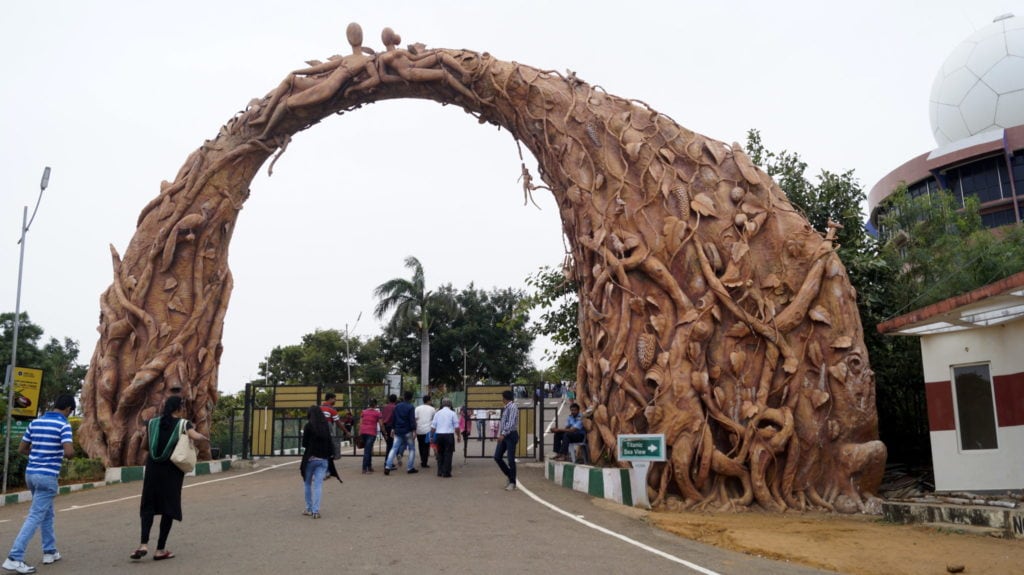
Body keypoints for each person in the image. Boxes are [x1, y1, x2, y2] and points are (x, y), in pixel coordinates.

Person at [130, 395, 208, 562]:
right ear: (179, 408)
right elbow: (195, 436)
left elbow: (145, 444)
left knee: (148, 507)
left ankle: (143, 544)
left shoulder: (152, 423)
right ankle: (160, 549)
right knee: (168, 509)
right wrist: (203, 438)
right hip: (171, 472)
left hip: (153, 470)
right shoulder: (183, 424)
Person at [4, 394, 76, 574]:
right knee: (35, 515)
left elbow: (22, 449)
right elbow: (69, 452)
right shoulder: (63, 425)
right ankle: (14, 557)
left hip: (31, 474)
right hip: (47, 476)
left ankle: (49, 551)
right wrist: (61, 453)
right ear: (68, 409)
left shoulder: (35, 423)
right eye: (70, 412)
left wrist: (39, 455)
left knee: (46, 513)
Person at [299, 405, 342, 519]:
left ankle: (308, 508)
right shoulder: (325, 426)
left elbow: (304, 444)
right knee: (318, 485)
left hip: (310, 459)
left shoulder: (308, 426)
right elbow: (329, 442)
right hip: (323, 460)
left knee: (307, 483)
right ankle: (316, 511)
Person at [383, 391, 417, 475]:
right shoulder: (411, 407)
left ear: (404, 396)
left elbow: (393, 419)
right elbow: (412, 420)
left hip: (398, 430)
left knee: (394, 448)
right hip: (407, 431)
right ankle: (410, 467)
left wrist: (393, 429)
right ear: (411, 398)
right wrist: (414, 430)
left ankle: (387, 466)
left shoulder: (397, 406)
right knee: (412, 449)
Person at [493, 390, 519, 491]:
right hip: (504, 435)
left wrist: (503, 434)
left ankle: (512, 482)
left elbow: (511, 422)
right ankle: (510, 475)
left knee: (510, 459)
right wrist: (501, 434)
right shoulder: (506, 407)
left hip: (510, 435)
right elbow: (503, 422)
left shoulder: (513, 407)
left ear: (505, 398)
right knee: (497, 456)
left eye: (502, 397)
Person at [430, 398, 461, 478]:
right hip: (449, 435)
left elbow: (433, 427)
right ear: (450, 404)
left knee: (440, 453)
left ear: (442, 404)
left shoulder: (438, 413)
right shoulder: (452, 413)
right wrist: (458, 436)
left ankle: (440, 471)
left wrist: (431, 436)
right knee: (448, 454)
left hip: (439, 435)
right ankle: (446, 472)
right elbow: (457, 427)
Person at [358, 399, 384, 474]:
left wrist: (359, 433)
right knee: (367, 451)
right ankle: (364, 468)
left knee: (368, 450)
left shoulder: (363, 412)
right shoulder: (378, 413)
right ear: (375, 405)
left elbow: (360, 423)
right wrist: (384, 432)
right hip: (371, 433)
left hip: (363, 432)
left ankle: (369, 466)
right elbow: (381, 424)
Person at [320, 392, 347, 459]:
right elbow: (338, 423)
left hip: (318, 428)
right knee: (333, 440)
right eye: (334, 399)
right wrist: (346, 431)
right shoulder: (332, 409)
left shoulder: (319, 408)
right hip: (327, 427)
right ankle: (335, 455)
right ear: (330, 399)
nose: (335, 401)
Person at [414, 395, 436, 469]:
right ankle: (424, 462)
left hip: (419, 430)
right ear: (429, 401)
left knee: (420, 445)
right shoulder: (432, 409)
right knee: (426, 446)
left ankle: (422, 460)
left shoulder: (417, 408)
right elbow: (434, 419)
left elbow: (415, 419)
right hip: (428, 430)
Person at [380, 394, 398, 459]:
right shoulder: (395, 407)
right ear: (396, 400)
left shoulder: (384, 407)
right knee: (391, 445)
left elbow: (381, 417)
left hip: (383, 427)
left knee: (389, 444)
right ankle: (387, 462)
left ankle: (388, 461)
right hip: (391, 427)